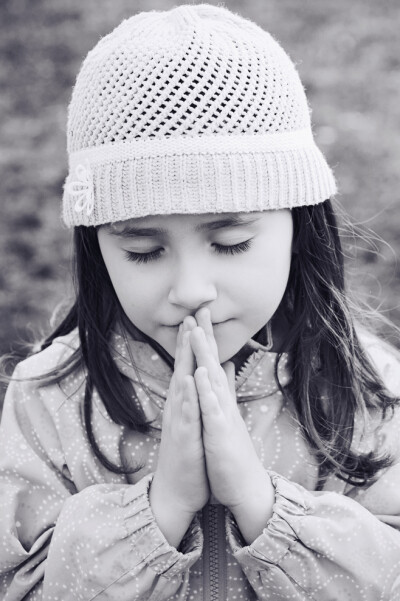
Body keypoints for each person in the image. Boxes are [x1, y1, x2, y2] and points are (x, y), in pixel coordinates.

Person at [1, 4, 400, 600]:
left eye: (230, 242)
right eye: (142, 249)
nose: (191, 289)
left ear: (300, 224)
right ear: (95, 246)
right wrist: (160, 508)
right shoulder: (46, 403)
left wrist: (262, 505)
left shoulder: (368, 390)